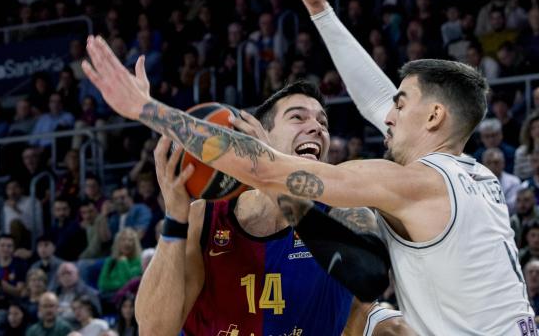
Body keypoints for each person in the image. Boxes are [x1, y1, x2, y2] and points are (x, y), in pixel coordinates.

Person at [84, 19, 535, 335]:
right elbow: (154, 329)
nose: (388, 116)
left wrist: (146, 110)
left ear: (434, 115)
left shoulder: (400, 186)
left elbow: (268, 170)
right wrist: (322, 12)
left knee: (386, 323)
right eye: (299, 116)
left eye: (400, 105)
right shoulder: (473, 174)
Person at [134, 82, 406, 335]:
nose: (317, 128)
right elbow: (155, 330)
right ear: (260, 135)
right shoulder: (203, 217)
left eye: (323, 121)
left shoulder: (345, 211)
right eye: (298, 117)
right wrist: (175, 216)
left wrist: (269, 176)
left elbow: (368, 278)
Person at [97, 229, 142, 295]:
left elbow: (128, 284)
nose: (127, 243)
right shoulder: (110, 261)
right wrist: (118, 284)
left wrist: (124, 263)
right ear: (117, 243)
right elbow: (102, 283)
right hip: (109, 296)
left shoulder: (139, 262)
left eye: (130, 240)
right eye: (123, 240)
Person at [482, 148, 521, 214]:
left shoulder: (514, 181)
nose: (492, 166)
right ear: (483, 165)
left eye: (496, 162)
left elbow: (512, 206)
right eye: (489, 163)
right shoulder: (475, 182)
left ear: (503, 163)